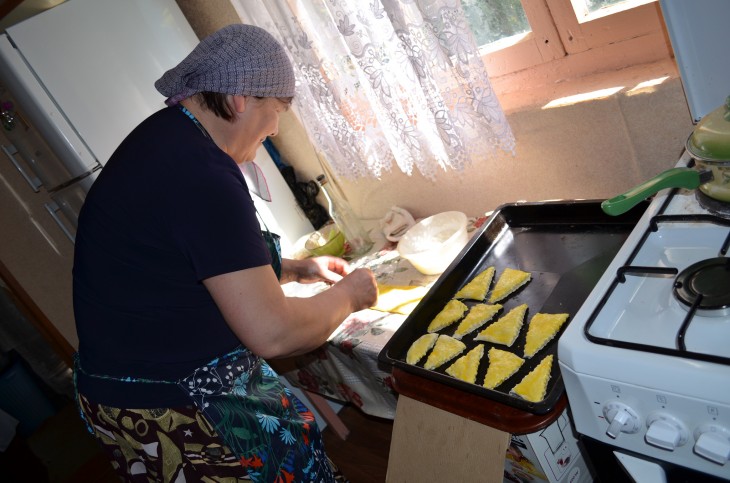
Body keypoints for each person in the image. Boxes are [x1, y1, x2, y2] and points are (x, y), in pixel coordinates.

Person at [72, 24, 377, 482]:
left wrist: (294, 269)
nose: (274, 129)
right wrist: (351, 295)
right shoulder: (202, 175)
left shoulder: (170, 137)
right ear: (241, 99)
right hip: (177, 404)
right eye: (277, 111)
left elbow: (196, 256)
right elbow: (274, 334)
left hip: (118, 394)